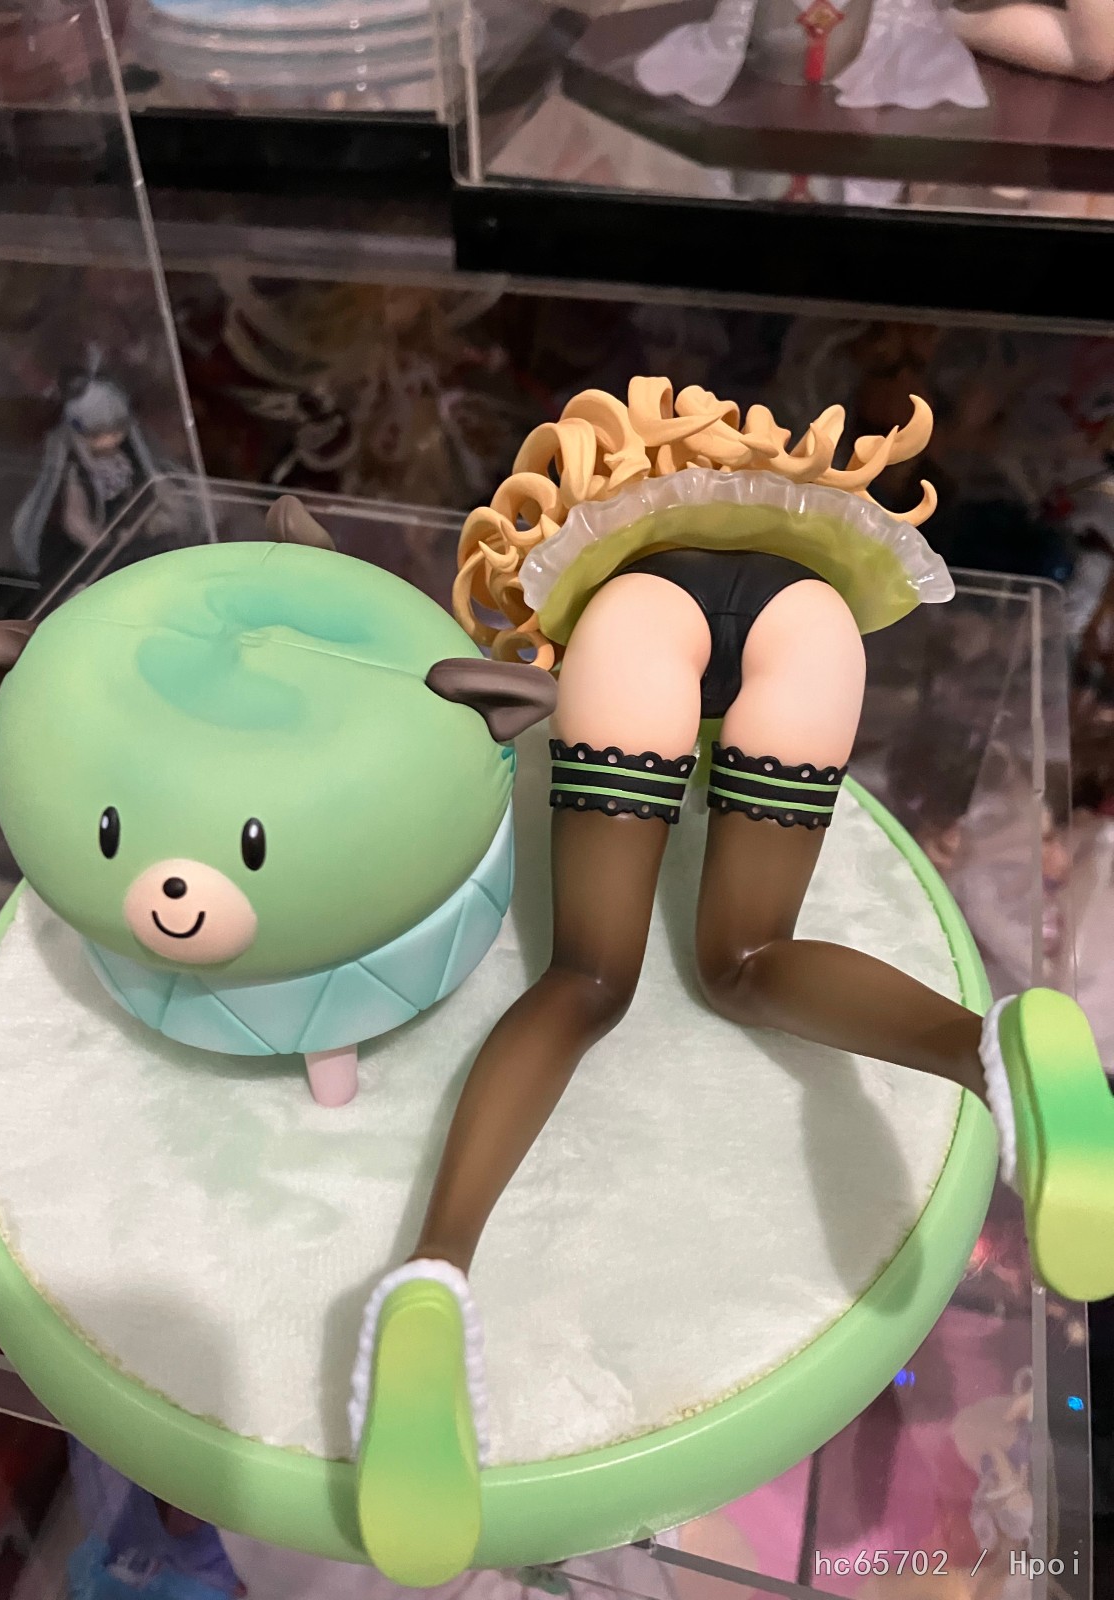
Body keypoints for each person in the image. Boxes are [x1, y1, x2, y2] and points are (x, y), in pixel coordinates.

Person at [350, 379, 1114, 1585]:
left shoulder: (621, 552)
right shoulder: (799, 544)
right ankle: (994, 1046)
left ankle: (433, 1270)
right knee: (748, 959)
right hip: (809, 630)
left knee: (588, 978)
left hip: (641, 622)